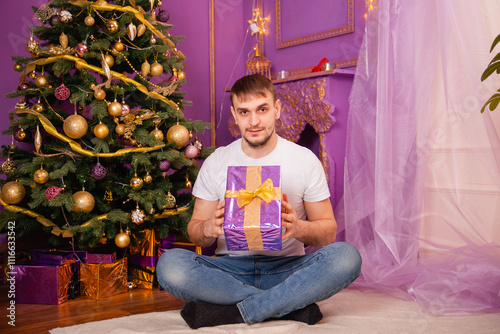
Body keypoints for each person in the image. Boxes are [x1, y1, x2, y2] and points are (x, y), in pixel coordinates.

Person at [156, 73, 362, 329]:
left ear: (276, 109)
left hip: (288, 269)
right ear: (234, 114)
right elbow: (196, 232)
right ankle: (286, 305)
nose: (253, 121)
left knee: (347, 257)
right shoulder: (217, 162)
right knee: (169, 265)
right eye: (244, 112)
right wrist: (208, 228)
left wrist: (299, 228)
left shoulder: (304, 160)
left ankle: (235, 311)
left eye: (262, 109)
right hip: (229, 270)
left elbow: (328, 232)